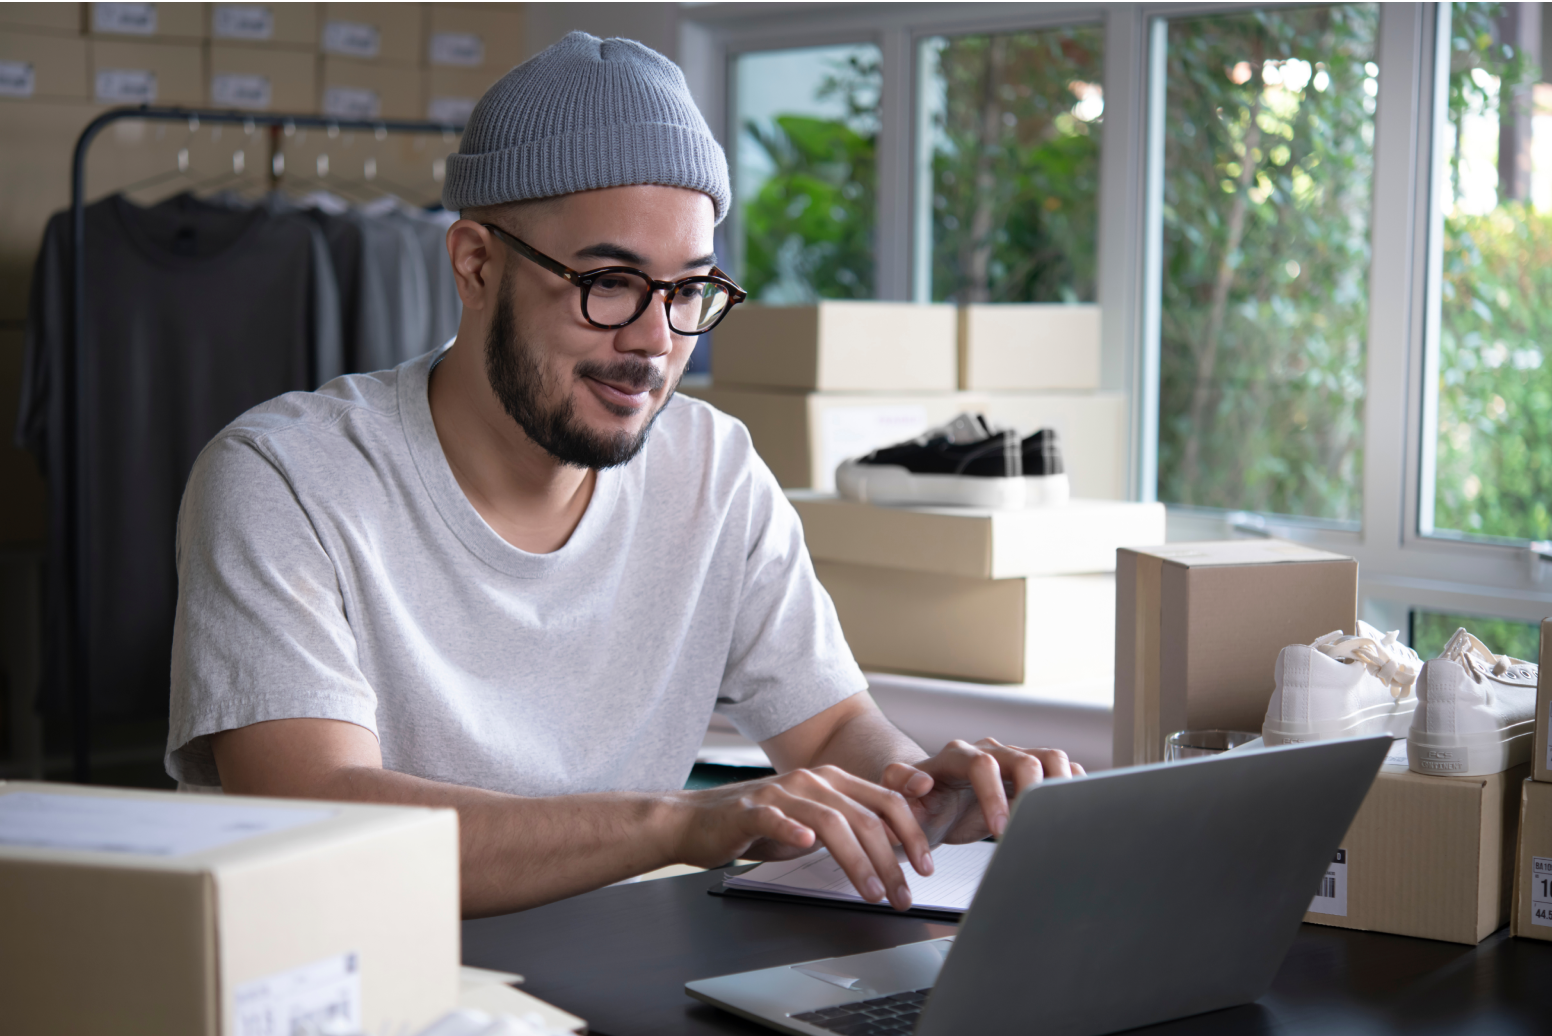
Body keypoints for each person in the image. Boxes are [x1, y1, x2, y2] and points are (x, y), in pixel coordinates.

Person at [166, 31, 1084, 918]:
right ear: (476, 264)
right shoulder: (284, 478)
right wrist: (686, 822)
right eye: (609, 280)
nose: (653, 340)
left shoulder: (712, 469)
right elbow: (317, 815)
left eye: (689, 290)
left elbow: (834, 728)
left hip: (618, 974)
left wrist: (921, 787)